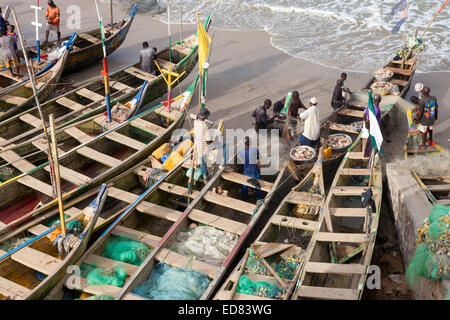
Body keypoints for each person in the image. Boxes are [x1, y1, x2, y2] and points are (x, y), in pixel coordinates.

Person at [238, 136, 262, 202]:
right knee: (257, 184)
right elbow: (259, 158)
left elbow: (240, 158)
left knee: (245, 185)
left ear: (244, 143)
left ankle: (244, 198)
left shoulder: (241, 151)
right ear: (250, 143)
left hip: (246, 171)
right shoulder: (254, 149)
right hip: (254, 171)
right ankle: (259, 199)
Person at [193, 108, 213, 181]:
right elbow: (208, 140)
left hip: (198, 144)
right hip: (204, 146)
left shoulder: (195, 122)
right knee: (203, 162)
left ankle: (204, 174)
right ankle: (206, 177)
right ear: (205, 117)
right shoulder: (205, 126)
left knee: (201, 160)